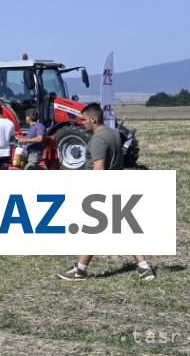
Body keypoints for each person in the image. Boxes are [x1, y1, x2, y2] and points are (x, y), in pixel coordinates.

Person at [58, 103, 156, 281]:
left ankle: (80, 270)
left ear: (93, 119)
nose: (83, 123)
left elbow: (99, 168)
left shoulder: (97, 140)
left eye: (85, 120)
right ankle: (143, 267)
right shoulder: (113, 133)